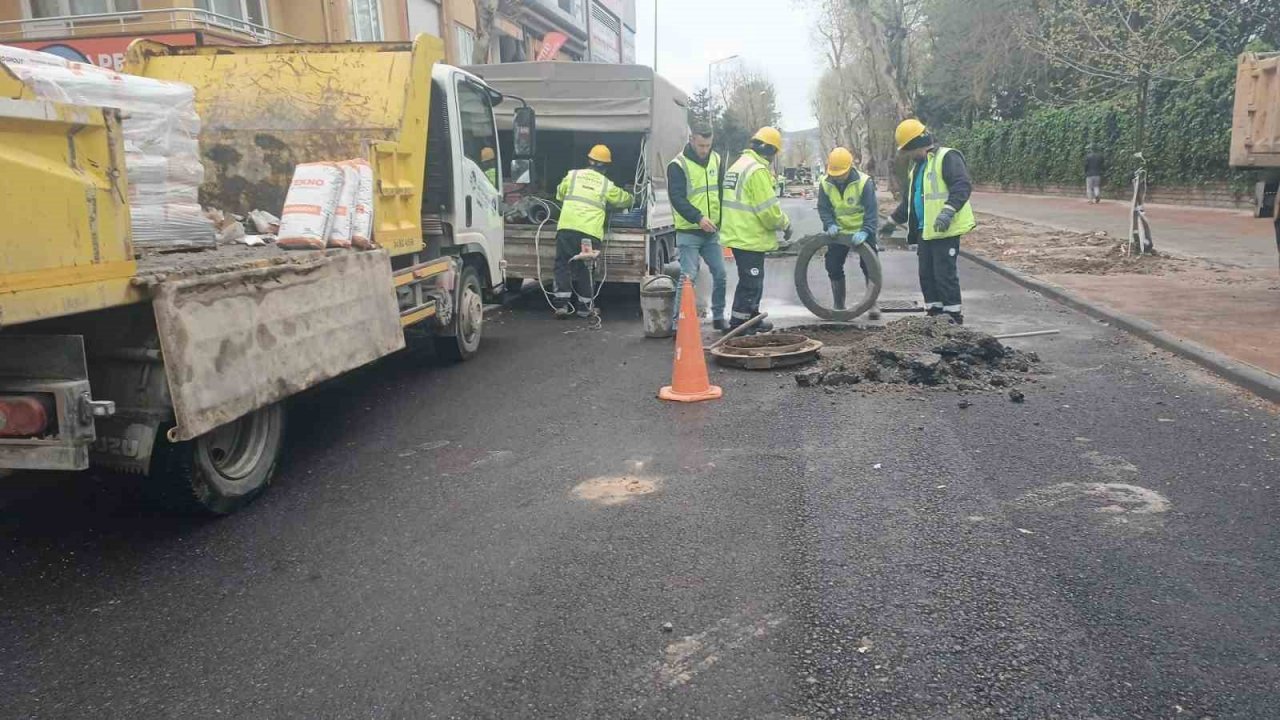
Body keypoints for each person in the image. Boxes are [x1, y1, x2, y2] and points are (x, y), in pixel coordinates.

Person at [882, 119, 976, 325]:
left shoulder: (947, 157)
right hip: (926, 231)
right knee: (927, 275)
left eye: (908, 150)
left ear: (917, 144)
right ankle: (934, 316)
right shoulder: (916, 168)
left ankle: (952, 318)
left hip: (946, 229)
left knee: (945, 275)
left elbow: (962, 186)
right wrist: (891, 221)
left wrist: (948, 211)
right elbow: (910, 201)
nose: (906, 155)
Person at [720, 126, 792, 334]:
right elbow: (769, 212)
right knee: (750, 282)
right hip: (748, 235)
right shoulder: (757, 171)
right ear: (771, 151)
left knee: (753, 279)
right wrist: (785, 224)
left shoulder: (738, 165)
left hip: (738, 233)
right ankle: (739, 324)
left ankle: (751, 317)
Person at [552, 144, 634, 318]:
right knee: (586, 268)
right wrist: (632, 196)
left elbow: (559, 194)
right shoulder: (606, 184)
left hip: (566, 227)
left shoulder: (572, 175)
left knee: (562, 265)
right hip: (589, 232)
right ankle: (584, 308)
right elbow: (622, 200)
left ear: (589, 160)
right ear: (606, 167)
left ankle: (561, 306)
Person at [667, 125, 728, 330]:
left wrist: (720, 221)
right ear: (692, 140)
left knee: (720, 273)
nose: (704, 150)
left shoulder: (717, 159)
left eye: (708, 145)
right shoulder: (678, 165)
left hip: (711, 232)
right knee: (688, 277)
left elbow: (721, 191)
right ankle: (678, 324)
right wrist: (698, 217)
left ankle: (718, 316)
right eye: (701, 145)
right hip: (689, 231)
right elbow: (677, 198)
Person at [817, 146, 880, 319]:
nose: (837, 178)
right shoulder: (825, 183)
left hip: (862, 231)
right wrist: (829, 224)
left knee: (869, 266)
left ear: (850, 168)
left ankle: (872, 303)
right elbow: (823, 208)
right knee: (833, 265)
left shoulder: (864, 182)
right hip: (838, 232)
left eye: (840, 174)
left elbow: (871, 211)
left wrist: (866, 231)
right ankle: (839, 303)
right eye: (834, 175)